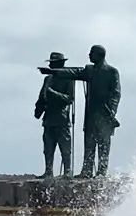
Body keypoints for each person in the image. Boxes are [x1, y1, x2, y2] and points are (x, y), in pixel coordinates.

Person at [38, 44, 120, 178]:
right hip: (91, 114)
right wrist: (54, 72)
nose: (88, 55)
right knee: (89, 143)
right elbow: (74, 72)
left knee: (104, 145)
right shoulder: (89, 70)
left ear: (100, 55)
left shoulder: (112, 72)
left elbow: (116, 93)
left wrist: (111, 111)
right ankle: (87, 171)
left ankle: (101, 172)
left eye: (91, 53)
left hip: (105, 114)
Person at [34, 51, 75, 178]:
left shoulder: (68, 79)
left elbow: (69, 98)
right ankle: (48, 171)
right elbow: (42, 96)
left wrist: (53, 93)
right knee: (48, 148)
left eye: (54, 64)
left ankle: (67, 171)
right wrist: (38, 109)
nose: (51, 66)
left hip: (61, 118)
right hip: (49, 118)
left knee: (65, 148)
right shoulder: (48, 79)